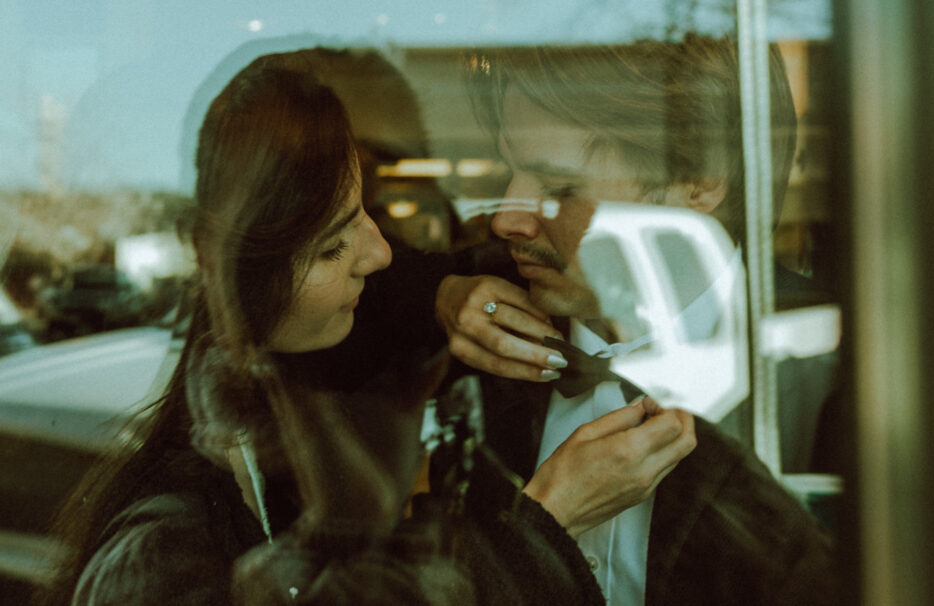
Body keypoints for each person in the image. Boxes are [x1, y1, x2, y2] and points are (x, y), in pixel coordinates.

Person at [38, 52, 606, 606]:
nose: (382, 252)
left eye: (371, 213)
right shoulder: (165, 550)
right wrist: (540, 532)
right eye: (333, 244)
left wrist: (440, 293)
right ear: (228, 264)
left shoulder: (286, 406)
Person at [435, 34, 838, 604]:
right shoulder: (473, 335)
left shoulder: (836, 371)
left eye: (558, 186)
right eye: (509, 170)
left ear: (700, 179)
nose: (507, 220)